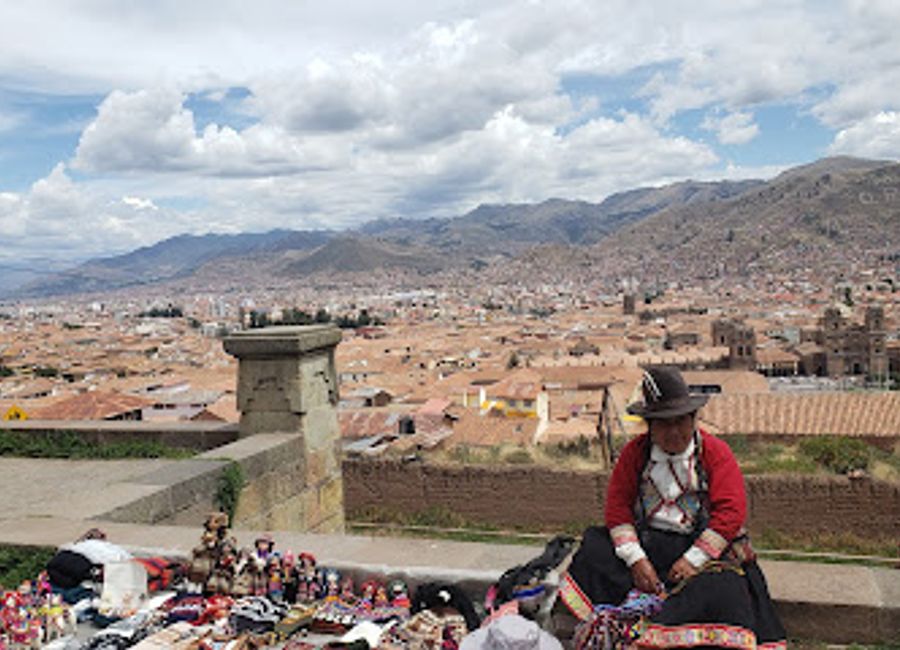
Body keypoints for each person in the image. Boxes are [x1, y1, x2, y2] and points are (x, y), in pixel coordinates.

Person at [558, 365, 786, 649]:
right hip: (649, 543)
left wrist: (693, 560)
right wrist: (636, 560)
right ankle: (636, 615)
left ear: (693, 419)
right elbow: (618, 509)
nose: (674, 432)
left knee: (725, 587)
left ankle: (662, 629)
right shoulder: (634, 455)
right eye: (664, 424)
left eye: (681, 421)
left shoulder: (715, 454)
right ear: (650, 426)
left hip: (701, 549)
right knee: (593, 549)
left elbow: (730, 513)